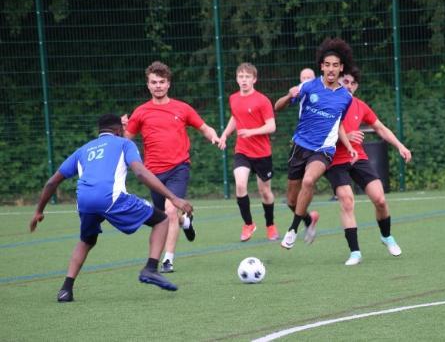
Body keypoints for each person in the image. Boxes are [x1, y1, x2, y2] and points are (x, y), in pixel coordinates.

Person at [29, 114, 194, 302]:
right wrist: (173, 198)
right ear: (118, 131)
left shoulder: (83, 150)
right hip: (111, 198)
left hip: (84, 202)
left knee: (86, 241)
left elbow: (52, 182)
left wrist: (38, 211)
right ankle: (150, 269)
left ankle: (66, 289)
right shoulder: (124, 144)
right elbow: (140, 172)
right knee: (162, 219)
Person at [121, 61, 219, 273]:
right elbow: (125, 140)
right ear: (148, 85)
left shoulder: (182, 108)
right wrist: (122, 128)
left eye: (162, 82)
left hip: (178, 168)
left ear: (168, 84)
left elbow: (204, 127)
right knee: (166, 216)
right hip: (153, 174)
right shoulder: (140, 112)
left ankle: (168, 260)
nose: (158, 86)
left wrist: (214, 136)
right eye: (154, 82)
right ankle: (186, 221)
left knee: (169, 209)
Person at [274, 37, 358, 249]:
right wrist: (288, 96)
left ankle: (292, 230)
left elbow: (337, 123)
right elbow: (277, 107)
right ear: (321, 66)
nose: (331, 69)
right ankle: (307, 221)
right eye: (327, 64)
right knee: (291, 201)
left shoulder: (345, 97)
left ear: (341, 69)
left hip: (323, 150)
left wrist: (347, 146)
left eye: (335, 65)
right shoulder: (308, 86)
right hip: (300, 146)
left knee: (309, 181)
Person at [325, 67, 412, 265]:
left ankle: (386, 236)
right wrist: (345, 137)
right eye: (344, 81)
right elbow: (319, 136)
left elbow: (380, 128)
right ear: (337, 82)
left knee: (380, 199)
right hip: (335, 160)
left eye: (352, 83)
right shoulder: (327, 105)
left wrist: (400, 146)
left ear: (356, 86)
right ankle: (355, 252)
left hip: (358, 158)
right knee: (347, 201)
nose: (348, 85)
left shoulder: (360, 106)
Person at [218, 63, 279, 242]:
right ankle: (248, 224)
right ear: (237, 79)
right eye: (241, 77)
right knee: (240, 185)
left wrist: (251, 131)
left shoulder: (262, 100)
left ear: (254, 79)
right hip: (242, 151)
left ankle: (270, 225)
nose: (244, 80)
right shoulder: (233, 98)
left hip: (262, 153)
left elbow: (271, 126)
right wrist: (224, 135)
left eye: (247, 77)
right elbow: (236, 118)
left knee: (265, 192)